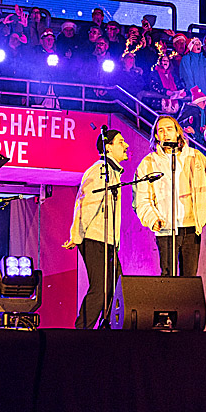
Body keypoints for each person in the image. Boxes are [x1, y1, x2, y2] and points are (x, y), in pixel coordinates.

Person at [134, 116, 206, 277]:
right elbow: (142, 199)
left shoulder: (196, 158)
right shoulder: (148, 163)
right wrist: (152, 219)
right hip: (166, 228)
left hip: (192, 228)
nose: (165, 133)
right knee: (168, 278)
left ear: (177, 132)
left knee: (189, 277)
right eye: (160, 130)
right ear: (156, 136)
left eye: (169, 129)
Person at [64, 129, 130, 329]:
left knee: (115, 289)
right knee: (101, 289)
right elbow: (86, 204)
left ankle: (105, 328)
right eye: (120, 142)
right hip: (95, 238)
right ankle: (82, 330)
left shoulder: (112, 172)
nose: (125, 145)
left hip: (108, 241)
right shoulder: (100, 170)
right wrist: (76, 235)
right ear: (108, 146)